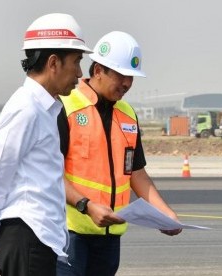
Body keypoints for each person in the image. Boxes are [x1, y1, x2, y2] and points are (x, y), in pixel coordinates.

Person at [0, 13, 92, 276]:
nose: (80, 74)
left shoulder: (47, 109)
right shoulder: (26, 108)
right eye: (77, 62)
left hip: (38, 241)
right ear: (53, 63)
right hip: (27, 239)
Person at [56, 31, 182, 276]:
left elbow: (137, 173)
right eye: (121, 75)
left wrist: (165, 214)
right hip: (69, 233)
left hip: (109, 236)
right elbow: (50, 174)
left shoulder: (128, 114)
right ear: (99, 70)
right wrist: (87, 206)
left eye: (131, 77)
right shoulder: (65, 106)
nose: (127, 83)